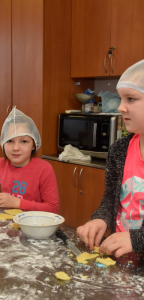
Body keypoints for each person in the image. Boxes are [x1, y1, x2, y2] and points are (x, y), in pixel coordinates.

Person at [77, 59, 144, 258]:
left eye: (130, 99)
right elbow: (112, 197)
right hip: (121, 256)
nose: (121, 108)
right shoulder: (120, 149)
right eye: (120, 99)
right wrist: (100, 219)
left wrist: (136, 239)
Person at [0, 107, 59, 212]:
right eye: (10, 141)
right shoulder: (0, 164)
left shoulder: (44, 169)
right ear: (3, 143)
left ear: (33, 145)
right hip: (6, 224)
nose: (16, 148)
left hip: (33, 226)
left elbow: (53, 209)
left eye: (24, 141)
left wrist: (16, 203)